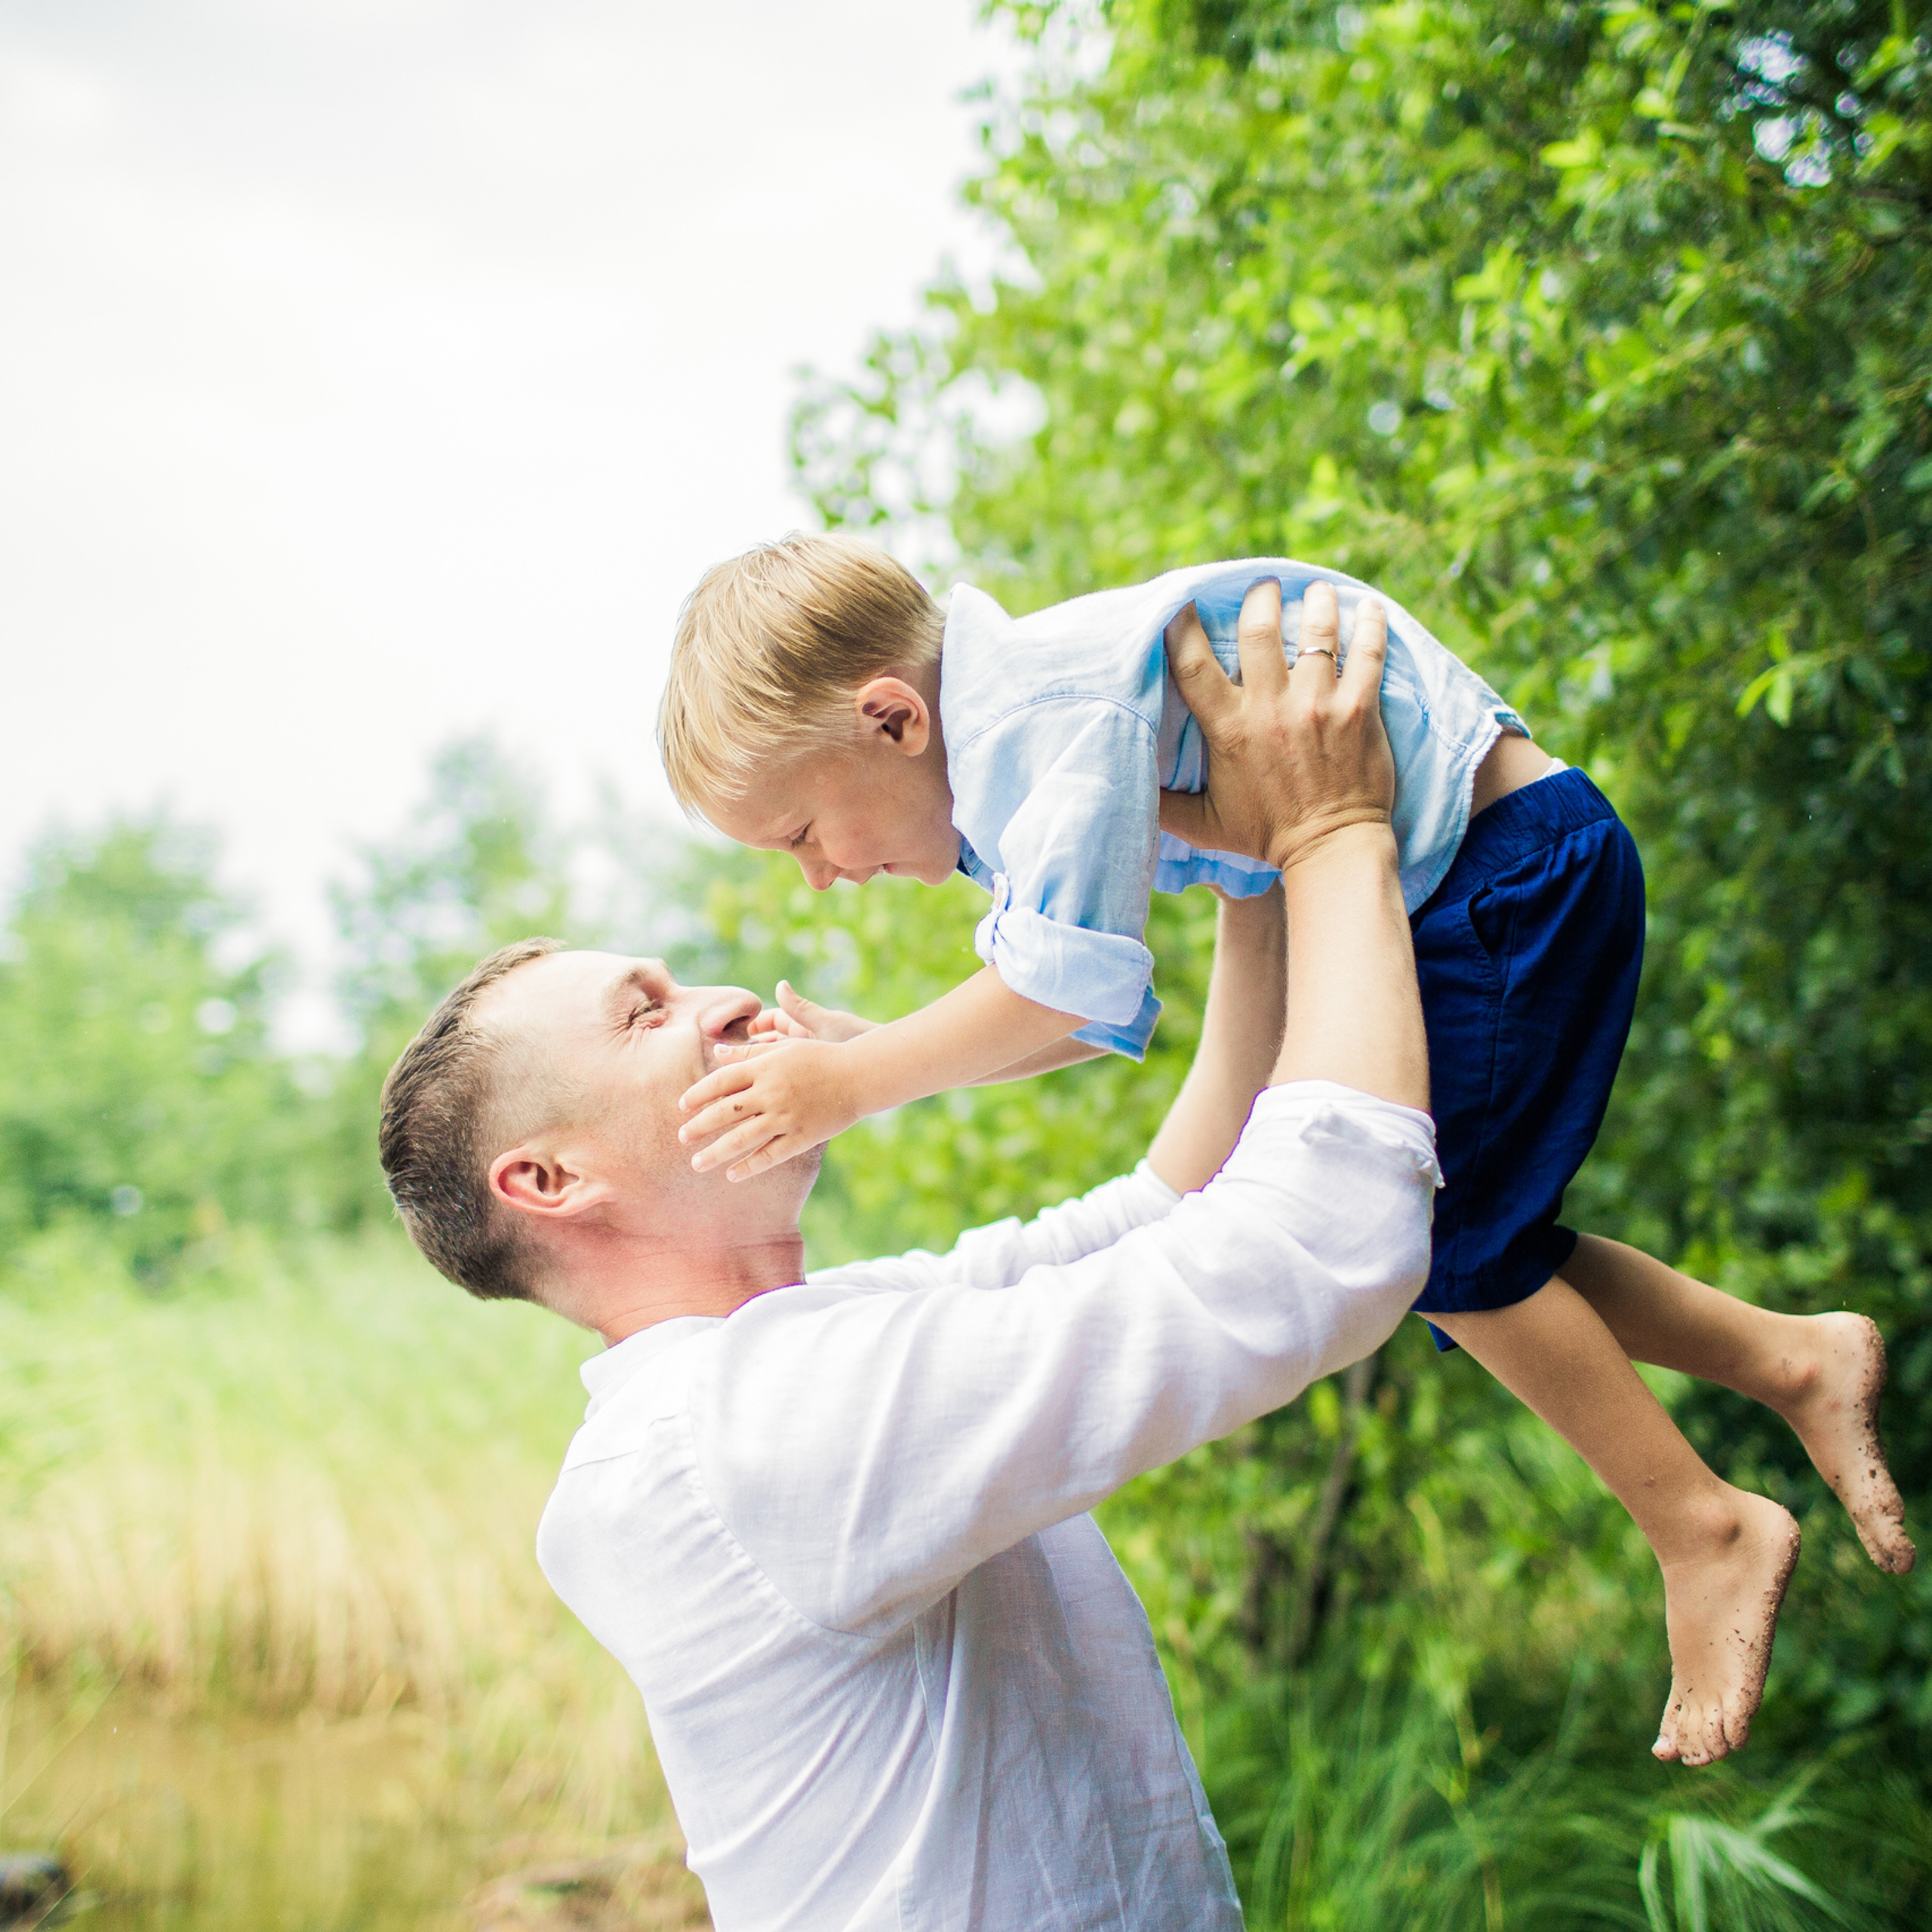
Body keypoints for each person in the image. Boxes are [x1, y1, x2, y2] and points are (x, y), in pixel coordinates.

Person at [655, 536, 1915, 1769]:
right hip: (1478, 874)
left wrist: (859, 1080)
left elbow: (1051, 993)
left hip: (1496, 876)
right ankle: (1793, 1357)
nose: (819, 879)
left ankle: (1704, 1530)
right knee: (1478, 1249)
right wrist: (881, 1053)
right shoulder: (1021, 742)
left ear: (890, 720)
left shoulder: (1040, 723)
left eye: (800, 834)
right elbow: (1086, 1006)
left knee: (1442, 1247)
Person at [378, 617, 1435, 1928]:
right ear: (549, 1183)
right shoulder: (743, 1435)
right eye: (645, 1014)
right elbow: (1317, 1240)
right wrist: (1337, 835)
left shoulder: (811, 1349)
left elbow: (1175, 1207)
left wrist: (1252, 873)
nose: (720, 999)